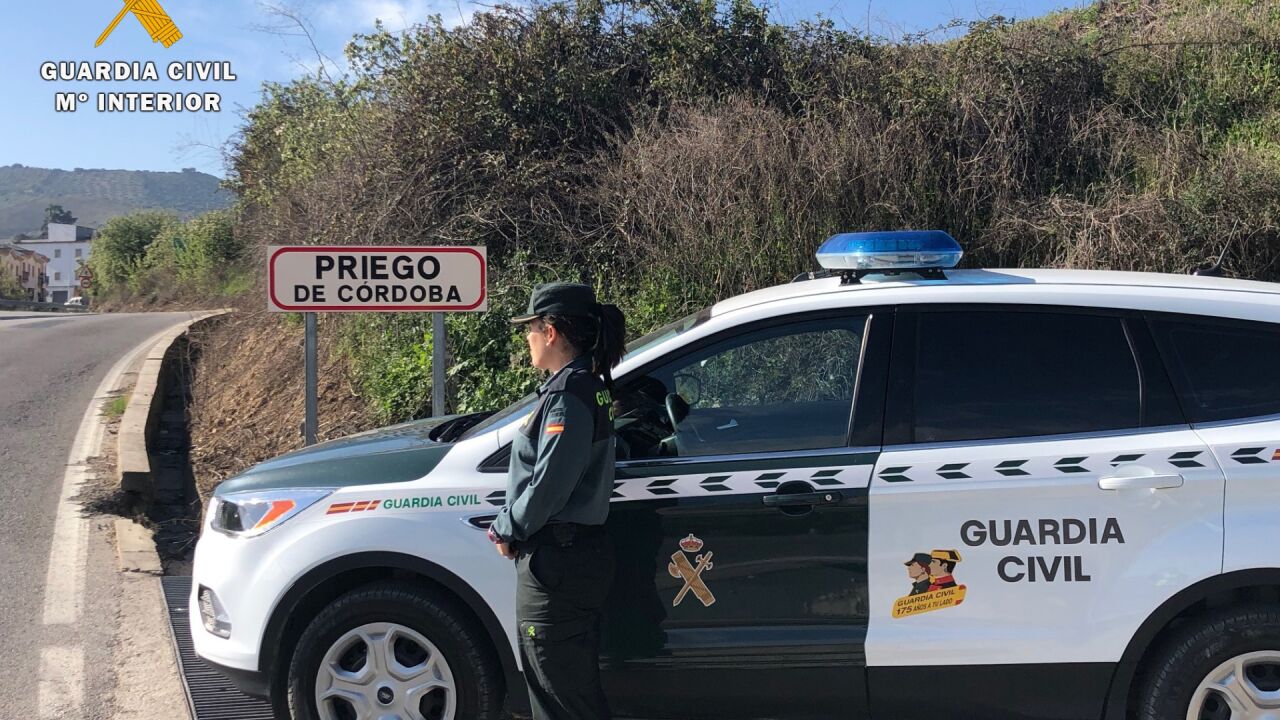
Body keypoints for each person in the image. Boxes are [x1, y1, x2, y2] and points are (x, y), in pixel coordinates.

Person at [487, 281, 627, 720]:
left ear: (550, 332)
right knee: (568, 692)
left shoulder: (569, 395)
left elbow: (550, 484)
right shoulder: (588, 386)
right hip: (572, 559)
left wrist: (506, 527)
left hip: (558, 564)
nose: (526, 338)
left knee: (559, 698)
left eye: (529, 329)